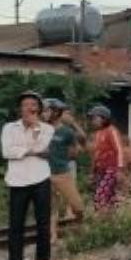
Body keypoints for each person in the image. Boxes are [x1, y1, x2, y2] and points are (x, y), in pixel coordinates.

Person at [0, 90, 53, 260]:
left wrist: (34, 130)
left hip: (41, 178)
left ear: (38, 108)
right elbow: (7, 152)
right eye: (25, 105)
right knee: (16, 223)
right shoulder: (9, 128)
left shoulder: (47, 128)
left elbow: (44, 148)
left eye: (33, 105)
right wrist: (31, 151)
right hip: (17, 180)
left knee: (43, 221)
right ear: (19, 108)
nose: (29, 108)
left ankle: (43, 259)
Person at [44, 98, 85, 245]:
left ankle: (79, 226)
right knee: (51, 207)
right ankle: (52, 236)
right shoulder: (41, 130)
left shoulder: (67, 132)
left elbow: (76, 151)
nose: (44, 113)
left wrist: (61, 156)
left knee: (77, 206)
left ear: (56, 112)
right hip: (45, 174)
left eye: (47, 110)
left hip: (63, 173)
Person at [88, 104, 125, 212]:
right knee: (109, 196)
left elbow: (119, 149)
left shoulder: (111, 130)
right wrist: (92, 172)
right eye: (92, 119)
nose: (93, 121)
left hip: (111, 169)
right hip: (101, 169)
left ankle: (101, 220)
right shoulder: (98, 133)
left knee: (100, 195)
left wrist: (120, 169)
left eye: (95, 118)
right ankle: (109, 221)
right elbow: (96, 154)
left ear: (104, 118)